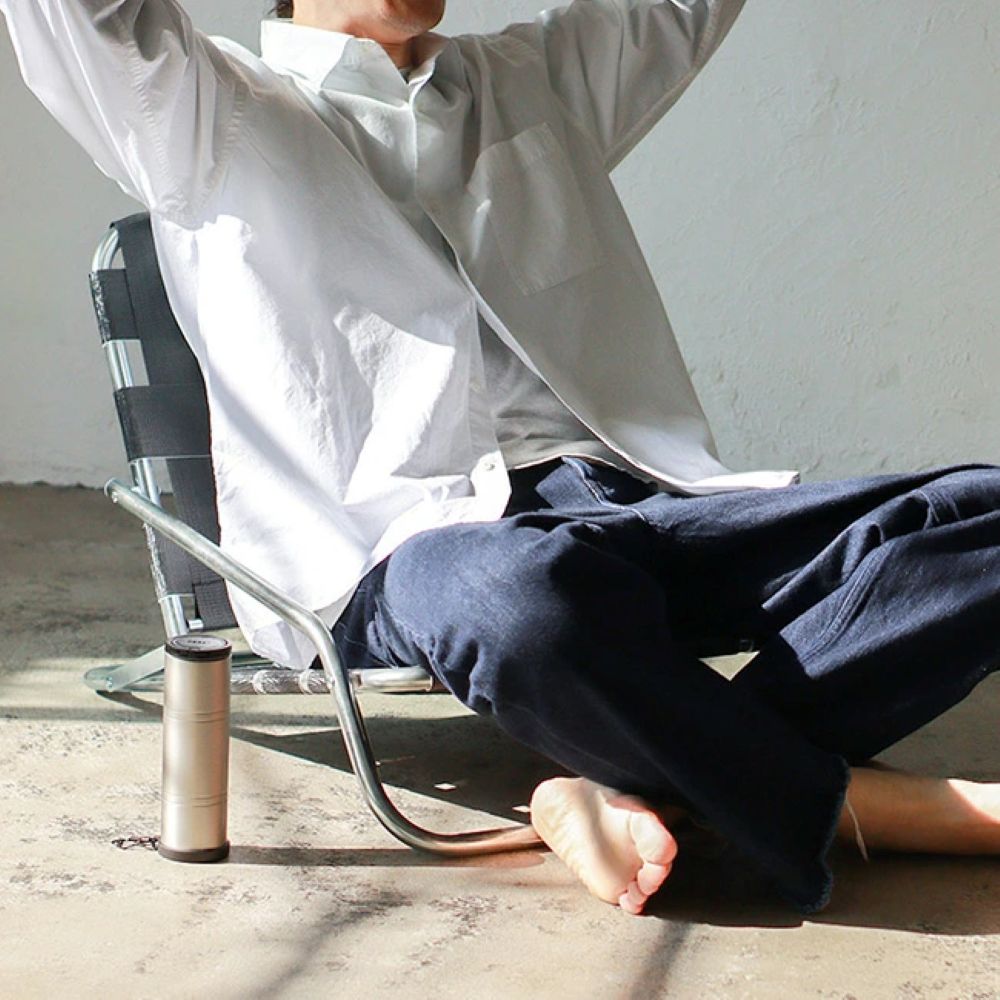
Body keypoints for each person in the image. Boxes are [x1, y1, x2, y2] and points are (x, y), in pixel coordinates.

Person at [3, 0, 998, 916]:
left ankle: (650, 782)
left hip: (633, 504)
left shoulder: (537, 76)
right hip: (409, 545)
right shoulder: (191, 104)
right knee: (515, 595)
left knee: (980, 515)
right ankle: (852, 803)